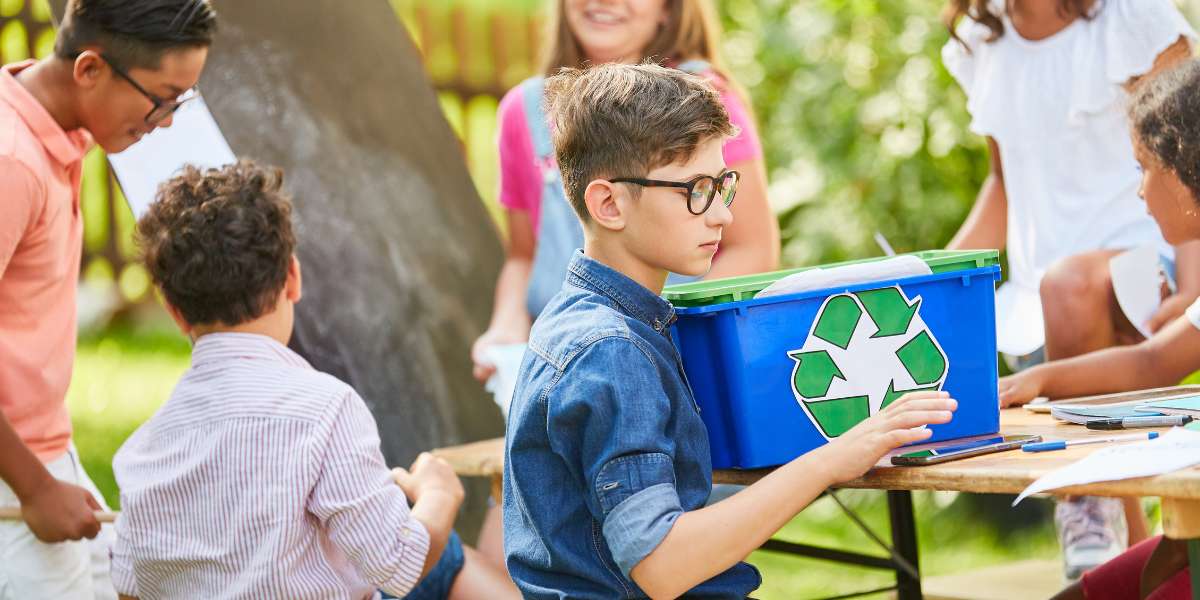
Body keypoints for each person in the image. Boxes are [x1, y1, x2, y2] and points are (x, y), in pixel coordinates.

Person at [501, 62, 958, 599]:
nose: (719, 214)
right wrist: (832, 461)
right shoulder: (611, 350)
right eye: (695, 189)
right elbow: (662, 564)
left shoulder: (592, 319)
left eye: (722, 186)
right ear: (608, 204)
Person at [108, 161, 520, 600]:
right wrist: (438, 492)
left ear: (173, 310)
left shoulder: (142, 452)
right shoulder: (325, 410)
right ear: (292, 277)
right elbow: (401, 564)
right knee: (448, 559)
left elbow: (130, 590)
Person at [941, 0, 1197, 577]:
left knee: (1068, 284)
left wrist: (1193, 282)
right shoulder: (985, 43)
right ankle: (1131, 560)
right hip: (1045, 282)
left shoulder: (1132, 19)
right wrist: (930, 277)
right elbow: (1003, 184)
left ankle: (1090, 500)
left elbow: (1186, 150)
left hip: (1149, 260)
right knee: (1058, 285)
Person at [0, 1, 216, 597]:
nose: (167, 120)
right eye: (162, 98)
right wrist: (35, 488)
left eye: (182, 100)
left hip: (42, 447)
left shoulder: (58, 125)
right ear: (89, 70)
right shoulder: (11, 162)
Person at [471, 0, 778, 384]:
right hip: (572, 370)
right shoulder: (525, 111)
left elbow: (753, 248)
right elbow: (522, 256)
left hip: (679, 361)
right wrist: (505, 328)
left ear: (669, 9)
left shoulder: (701, 99)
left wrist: (656, 335)